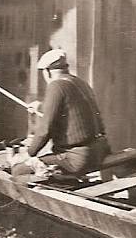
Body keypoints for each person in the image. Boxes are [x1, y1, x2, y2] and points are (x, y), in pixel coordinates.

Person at [10, 48, 111, 178]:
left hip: (78, 158)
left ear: (47, 72)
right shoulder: (80, 82)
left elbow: (45, 130)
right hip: (100, 150)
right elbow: (73, 107)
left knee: (18, 171)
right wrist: (41, 107)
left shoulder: (56, 86)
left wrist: (28, 154)